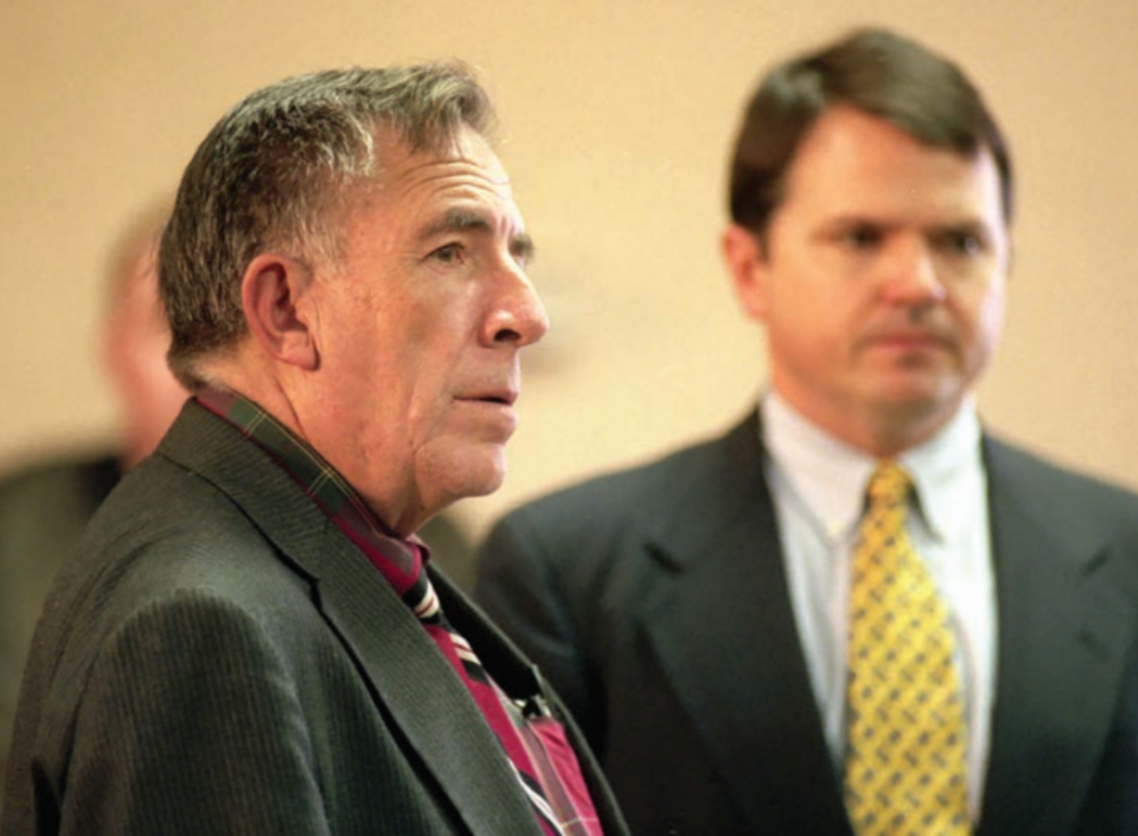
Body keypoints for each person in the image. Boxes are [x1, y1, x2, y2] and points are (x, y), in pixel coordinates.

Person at [475, 27, 1138, 836]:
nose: (919, 284)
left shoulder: (1125, 553)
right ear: (749, 268)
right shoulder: (566, 572)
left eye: (960, 242)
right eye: (861, 238)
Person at [1, 64, 628, 836]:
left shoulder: (355, 556)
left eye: (516, 257)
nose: (526, 315)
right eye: (450, 253)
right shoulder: (200, 617)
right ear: (286, 310)